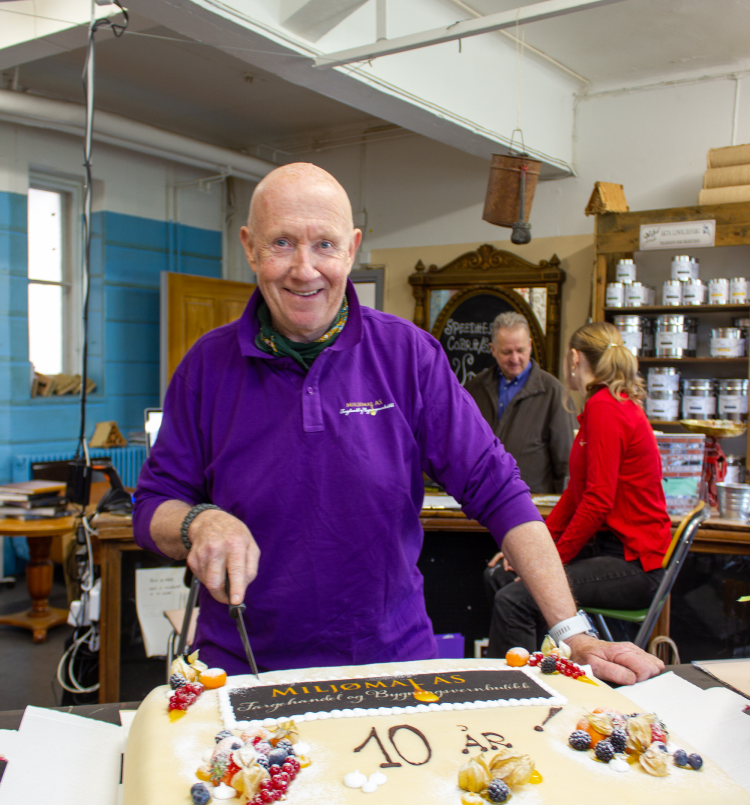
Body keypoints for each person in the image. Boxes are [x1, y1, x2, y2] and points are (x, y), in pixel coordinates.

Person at [133, 164, 662, 685]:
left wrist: (573, 634)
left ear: (353, 247)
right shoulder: (206, 366)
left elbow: (498, 488)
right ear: (249, 246)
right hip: (243, 669)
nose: (303, 268)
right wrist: (197, 522)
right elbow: (154, 505)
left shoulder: (408, 355)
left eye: (324, 245)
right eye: (281, 243)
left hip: (390, 665)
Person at [485, 322, 672, 660]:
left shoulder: (605, 407)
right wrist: (533, 549)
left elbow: (597, 501)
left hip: (633, 564)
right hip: (613, 553)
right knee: (499, 575)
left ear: (574, 358)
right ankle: (548, 667)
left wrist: (550, 561)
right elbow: (575, 495)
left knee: (513, 601)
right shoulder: (604, 404)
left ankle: (521, 691)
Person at [465, 312, 573, 493]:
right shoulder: (473, 390)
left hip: (534, 505)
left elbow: (567, 462)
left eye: (520, 350)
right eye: (507, 352)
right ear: (493, 349)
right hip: (481, 502)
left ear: (530, 346)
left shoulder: (553, 392)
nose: (515, 359)